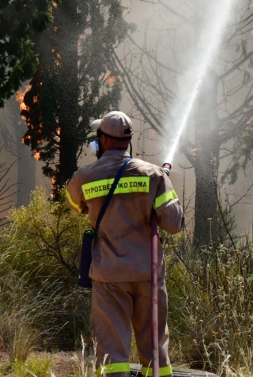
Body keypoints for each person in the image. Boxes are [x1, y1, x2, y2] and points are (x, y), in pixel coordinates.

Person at [65, 111, 184, 377]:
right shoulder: (154, 175)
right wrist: (162, 185)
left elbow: (74, 206)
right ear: (127, 141)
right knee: (155, 351)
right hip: (148, 274)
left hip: (109, 276)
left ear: (104, 141)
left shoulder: (85, 176)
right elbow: (174, 225)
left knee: (112, 353)